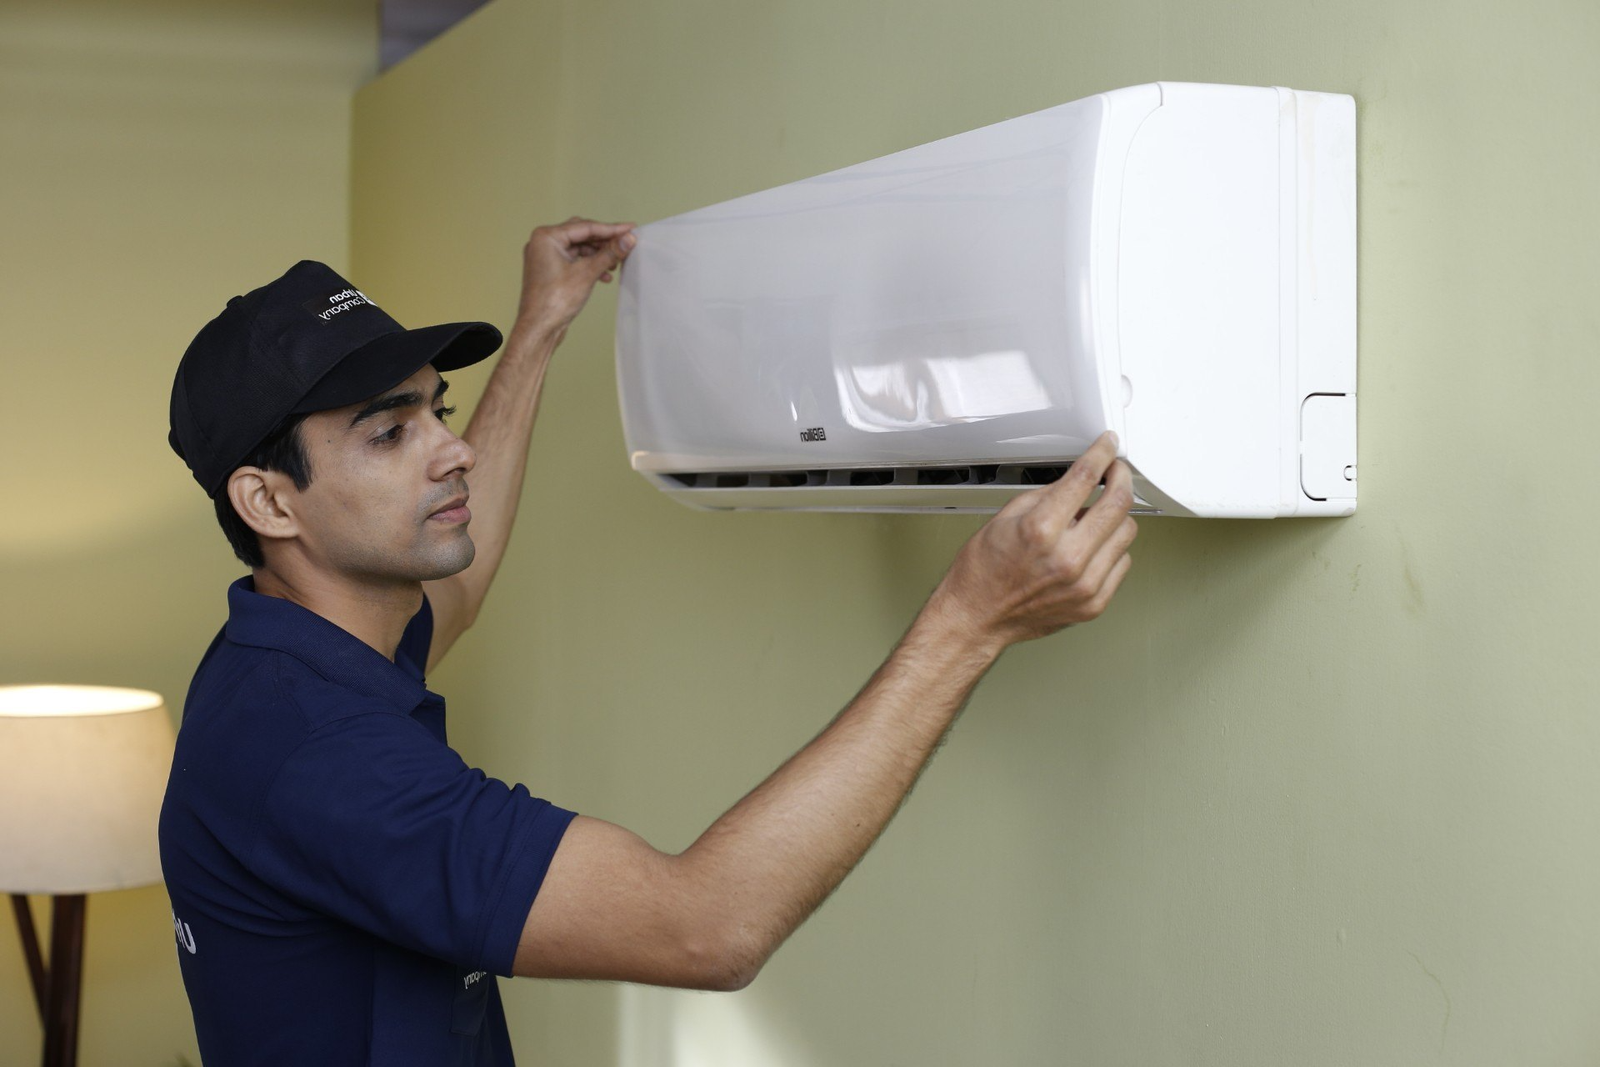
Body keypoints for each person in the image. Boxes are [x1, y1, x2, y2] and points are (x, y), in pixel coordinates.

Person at [158, 217, 1138, 1065]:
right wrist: (969, 619)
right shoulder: (321, 757)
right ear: (268, 502)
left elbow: (453, 591)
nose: (452, 450)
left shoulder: (287, 652)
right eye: (388, 434)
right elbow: (704, 926)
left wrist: (540, 325)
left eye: (438, 410)